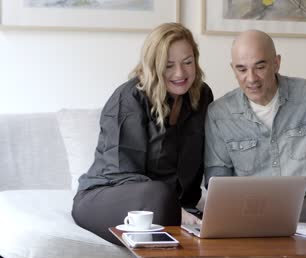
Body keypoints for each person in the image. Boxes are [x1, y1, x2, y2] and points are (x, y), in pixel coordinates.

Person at [72, 23, 213, 245]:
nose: (180, 73)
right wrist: (176, 210)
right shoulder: (129, 99)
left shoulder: (202, 96)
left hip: (170, 205)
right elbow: (122, 174)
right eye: (168, 66)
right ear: (153, 66)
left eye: (188, 62)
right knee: (159, 194)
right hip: (106, 197)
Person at [204, 30, 306, 222]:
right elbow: (216, 177)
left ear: (276, 63)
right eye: (242, 69)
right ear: (233, 69)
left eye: (260, 67)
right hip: (249, 208)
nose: (251, 79)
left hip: (305, 204)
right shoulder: (219, 113)